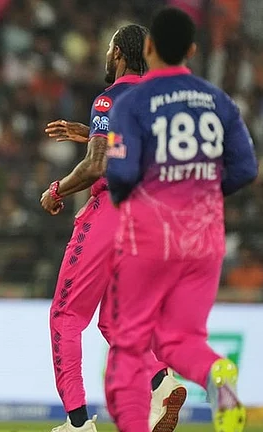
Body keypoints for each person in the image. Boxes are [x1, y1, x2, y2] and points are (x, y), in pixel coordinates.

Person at [104, 8, 257, 432]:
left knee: (128, 346)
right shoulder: (218, 101)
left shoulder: (131, 103)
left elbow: (119, 174)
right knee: (182, 339)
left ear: (149, 47)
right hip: (205, 238)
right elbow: (245, 169)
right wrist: (200, 194)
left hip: (151, 238)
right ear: (191, 50)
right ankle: (216, 375)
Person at [41, 24, 186, 432]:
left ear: (119, 52)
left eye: (109, 48)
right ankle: (160, 380)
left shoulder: (110, 98)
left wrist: (56, 190)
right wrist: (91, 137)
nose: (107, 55)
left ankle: (76, 422)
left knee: (66, 316)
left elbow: (98, 165)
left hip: (113, 213)